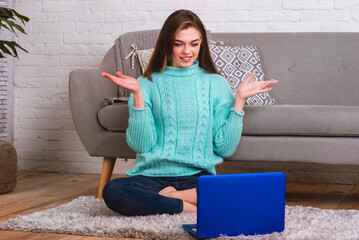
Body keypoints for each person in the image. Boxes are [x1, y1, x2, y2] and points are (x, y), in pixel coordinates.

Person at [101, 9, 278, 216]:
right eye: (179, 44)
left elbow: (225, 149)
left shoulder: (216, 83)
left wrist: (239, 101)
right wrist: (138, 96)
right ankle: (186, 207)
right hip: (152, 177)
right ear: (167, 43)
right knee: (114, 191)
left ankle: (171, 198)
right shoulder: (144, 84)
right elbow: (142, 145)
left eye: (194, 43)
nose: (187, 51)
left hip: (197, 177)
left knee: (248, 193)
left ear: (202, 44)